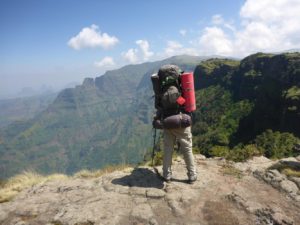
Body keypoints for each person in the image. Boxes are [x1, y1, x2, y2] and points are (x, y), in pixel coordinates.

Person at [153, 64, 197, 183]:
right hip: (181, 122)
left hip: (167, 123)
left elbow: (158, 107)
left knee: (168, 149)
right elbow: (184, 103)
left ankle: (166, 175)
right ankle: (192, 175)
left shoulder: (161, 92)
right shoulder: (180, 89)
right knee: (187, 149)